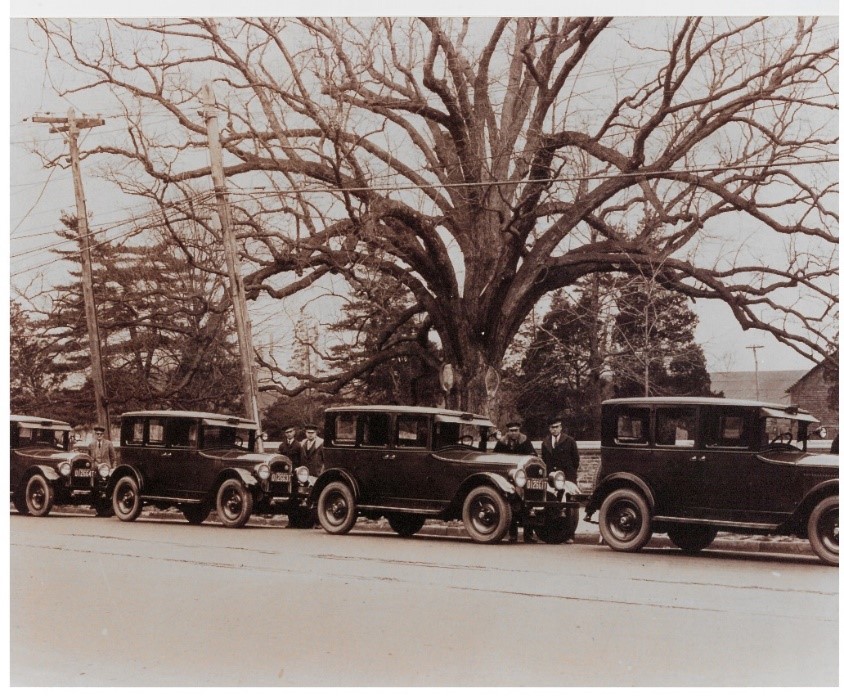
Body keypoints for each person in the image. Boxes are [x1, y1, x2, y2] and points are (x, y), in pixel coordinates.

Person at [494, 421, 537, 542]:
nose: (514, 433)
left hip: (522, 478)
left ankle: (528, 535)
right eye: (511, 431)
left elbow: (533, 456)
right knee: (512, 506)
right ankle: (513, 535)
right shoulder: (502, 442)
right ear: (508, 432)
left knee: (528, 507)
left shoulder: (525, 441)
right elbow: (495, 457)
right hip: (507, 479)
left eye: (516, 430)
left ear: (519, 430)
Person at [540, 416, 580, 543]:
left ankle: (570, 535)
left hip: (567, 477)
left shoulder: (569, 441)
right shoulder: (545, 443)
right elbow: (544, 461)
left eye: (557, 427)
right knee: (551, 503)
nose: (554, 430)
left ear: (561, 427)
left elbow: (576, 460)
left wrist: (569, 476)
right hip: (551, 478)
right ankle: (552, 532)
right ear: (549, 429)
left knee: (569, 506)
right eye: (552, 427)